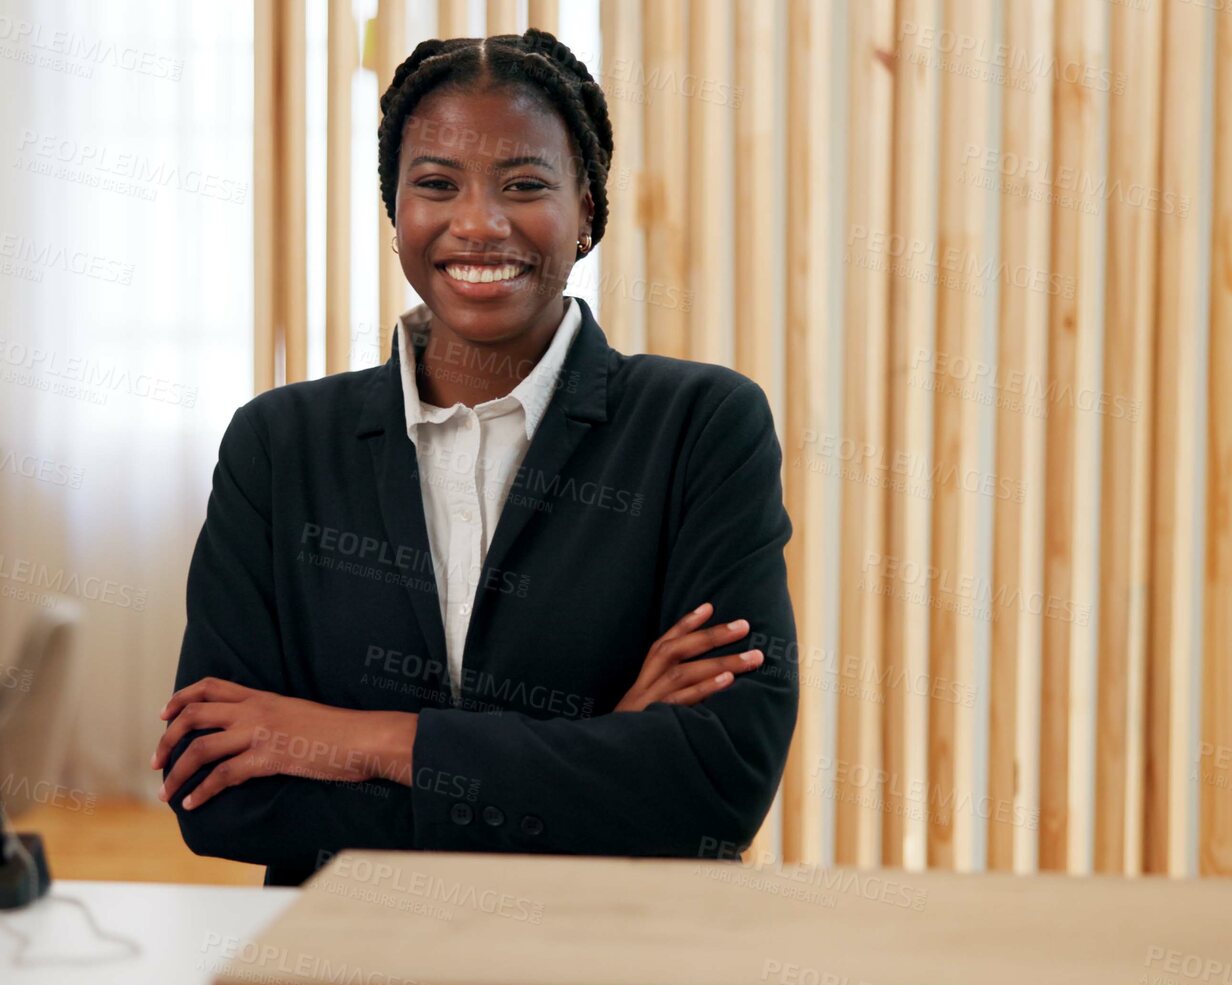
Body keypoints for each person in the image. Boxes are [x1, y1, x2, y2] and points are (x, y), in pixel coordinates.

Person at [153, 28, 798, 887]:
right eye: (435, 185)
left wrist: (365, 741)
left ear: (589, 211)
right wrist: (604, 751)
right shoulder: (278, 445)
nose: (478, 224)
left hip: (609, 969)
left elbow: (718, 786)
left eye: (524, 185)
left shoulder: (699, 426)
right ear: (395, 214)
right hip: (348, 974)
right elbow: (219, 793)